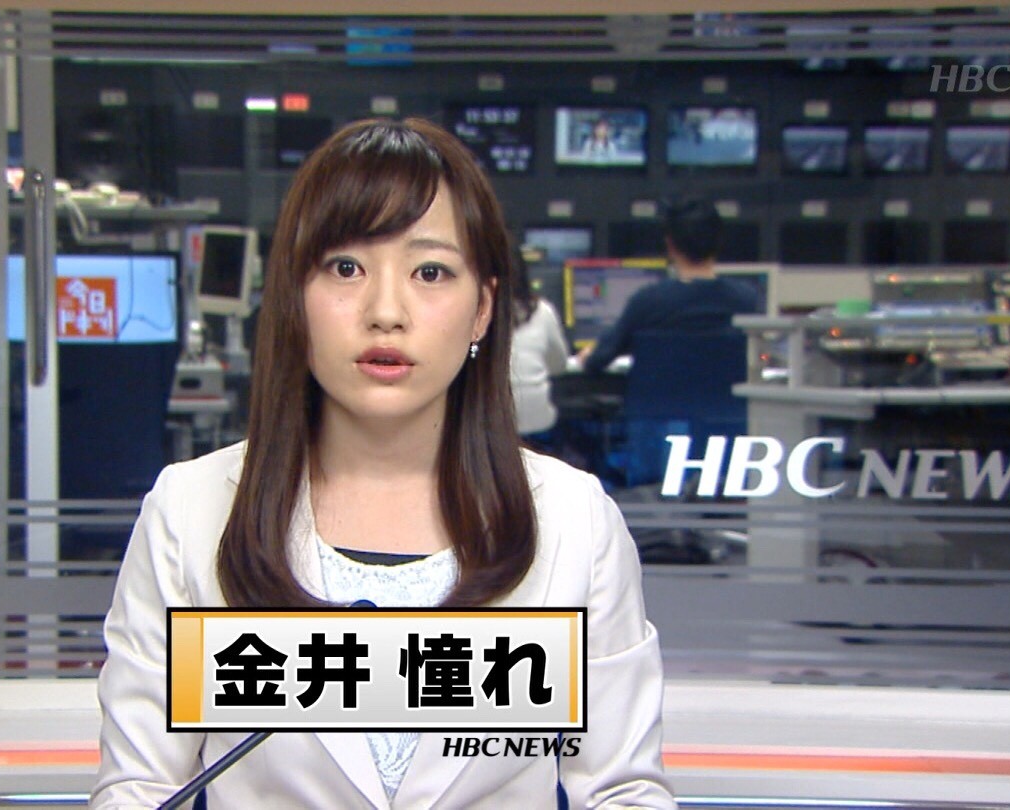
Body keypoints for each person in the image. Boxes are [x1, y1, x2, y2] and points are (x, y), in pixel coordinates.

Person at [92, 117, 674, 809]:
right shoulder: (189, 512)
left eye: (430, 272)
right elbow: (138, 789)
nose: (386, 311)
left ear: (483, 309)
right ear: (295, 296)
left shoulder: (577, 522)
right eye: (346, 268)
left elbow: (622, 790)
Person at [580, 199, 759, 375]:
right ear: (720, 242)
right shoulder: (746, 300)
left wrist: (588, 356)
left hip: (655, 396)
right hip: (724, 396)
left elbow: (598, 360)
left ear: (670, 244)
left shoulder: (647, 302)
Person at [509, 246, 570, 439]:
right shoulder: (543, 311)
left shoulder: (473, 313)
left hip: (490, 429)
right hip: (539, 424)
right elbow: (559, 365)